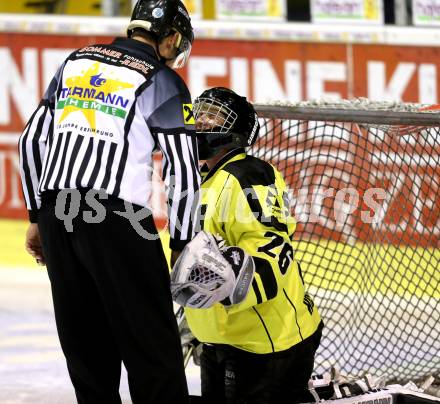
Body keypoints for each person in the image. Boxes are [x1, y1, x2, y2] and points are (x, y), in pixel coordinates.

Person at [18, 1, 200, 403]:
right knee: (152, 351)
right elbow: (183, 171)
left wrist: (36, 217)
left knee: (87, 355)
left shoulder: (76, 62)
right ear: (170, 37)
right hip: (116, 220)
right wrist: (184, 243)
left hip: (57, 214)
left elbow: (30, 142)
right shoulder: (162, 81)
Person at [171, 87, 323, 404]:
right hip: (221, 339)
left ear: (237, 133)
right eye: (197, 113)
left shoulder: (248, 176)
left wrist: (230, 292)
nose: (200, 122)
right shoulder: (194, 179)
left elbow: (273, 249)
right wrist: (194, 319)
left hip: (266, 343)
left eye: (213, 116)